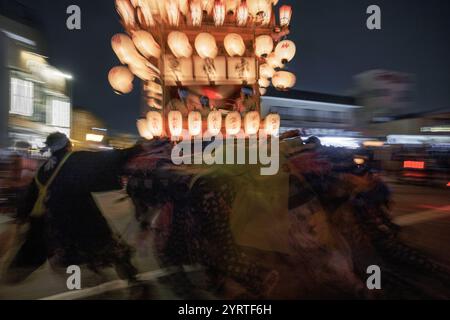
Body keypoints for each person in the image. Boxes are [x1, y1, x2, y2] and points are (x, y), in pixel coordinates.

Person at [2, 132, 140, 285]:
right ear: (67, 145)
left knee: (72, 257)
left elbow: (31, 196)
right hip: (81, 216)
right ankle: (132, 282)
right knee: (107, 246)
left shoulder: (43, 170)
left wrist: (21, 216)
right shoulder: (74, 159)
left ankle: (90, 280)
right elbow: (107, 159)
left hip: (55, 224)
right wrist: (136, 150)